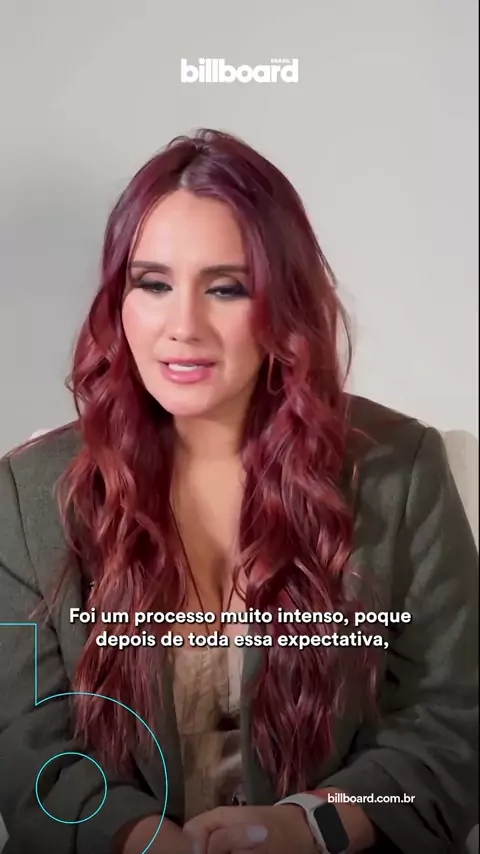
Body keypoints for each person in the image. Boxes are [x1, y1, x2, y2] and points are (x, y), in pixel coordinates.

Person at [0, 128, 477, 854]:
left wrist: (310, 825)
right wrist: (140, 839)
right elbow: (24, 746)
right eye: (152, 283)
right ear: (119, 299)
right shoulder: (27, 491)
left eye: (226, 287)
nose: (182, 326)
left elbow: (454, 721)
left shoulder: (401, 468)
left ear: (282, 303)